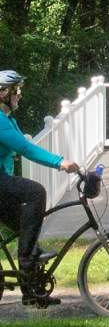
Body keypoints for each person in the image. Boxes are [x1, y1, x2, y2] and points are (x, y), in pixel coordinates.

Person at [0, 70, 79, 306]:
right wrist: (60, 162)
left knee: (28, 232)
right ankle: (26, 261)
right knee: (36, 192)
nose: (19, 95)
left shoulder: (8, 119)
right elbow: (26, 149)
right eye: (16, 91)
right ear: (2, 93)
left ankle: (32, 292)